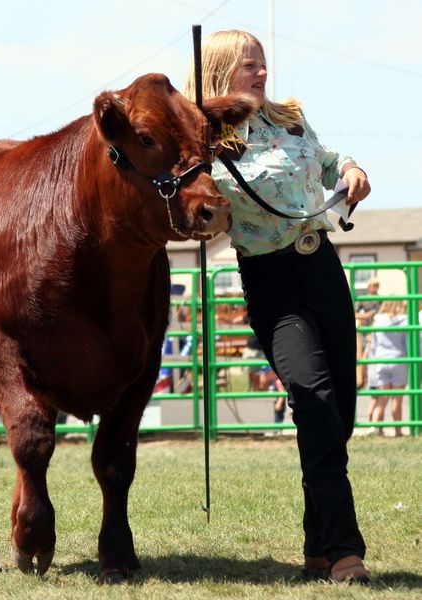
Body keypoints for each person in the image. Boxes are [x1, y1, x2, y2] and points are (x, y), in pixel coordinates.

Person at [185, 30, 371, 583]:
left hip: (323, 266)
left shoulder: (289, 119)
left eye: (262, 63)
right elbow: (195, 208)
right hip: (271, 279)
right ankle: (343, 552)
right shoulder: (205, 141)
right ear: (220, 73)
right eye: (248, 66)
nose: (261, 73)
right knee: (313, 401)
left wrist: (352, 172)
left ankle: (318, 546)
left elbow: (329, 159)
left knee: (340, 412)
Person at [369, 301, 408, 437]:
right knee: (397, 399)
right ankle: (398, 431)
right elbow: (408, 342)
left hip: (381, 360)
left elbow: (373, 343)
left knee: (383, 398)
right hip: (399, 360)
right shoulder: (404, 320)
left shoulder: (377, 320)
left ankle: (375, 429)